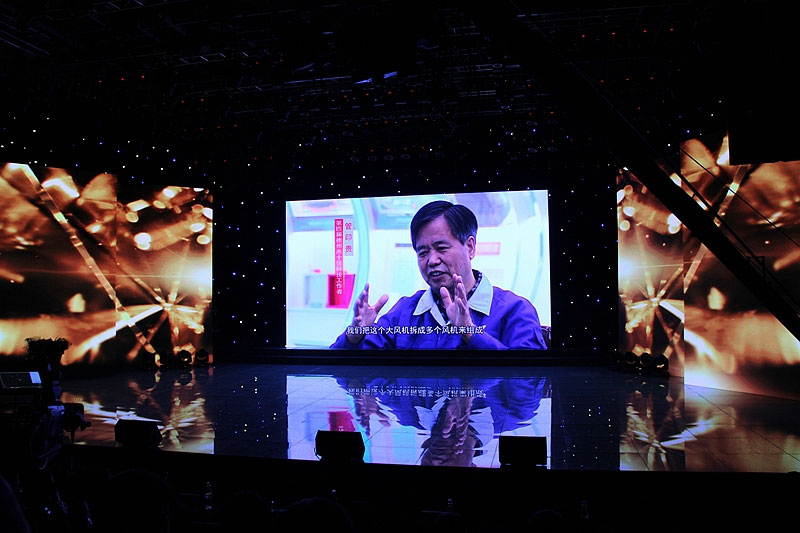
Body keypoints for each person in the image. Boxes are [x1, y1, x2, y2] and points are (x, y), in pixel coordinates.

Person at [330, 200, 547, 349]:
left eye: (441, 248)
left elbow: (530, 383)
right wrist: (354, 335)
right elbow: (337, 372)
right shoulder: (405, 311)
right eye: (422, 252)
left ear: (470, 247)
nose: (432, 260)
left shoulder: (515, 310)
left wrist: (471, 334)